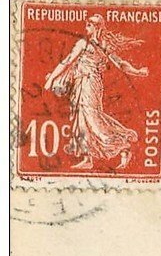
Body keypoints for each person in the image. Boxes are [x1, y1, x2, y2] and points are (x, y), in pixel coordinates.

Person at [43, 14, 149, 170]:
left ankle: (122, 146)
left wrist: (137, 72)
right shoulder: (82, 43)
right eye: (87, 23)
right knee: (82, 119)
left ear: (97, 27)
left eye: (90, 24)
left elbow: (121, 64)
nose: (87, 26)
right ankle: (88, 158)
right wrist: (51, 79)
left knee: (92, 119)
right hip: (80, 84)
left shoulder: (102, 45)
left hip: (91, 84)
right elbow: (67, 61)